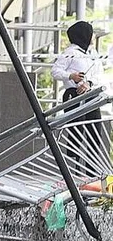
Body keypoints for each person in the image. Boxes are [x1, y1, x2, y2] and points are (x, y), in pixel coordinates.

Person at [51, 21, 106, 178]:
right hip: (74, 95)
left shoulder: (93, 54)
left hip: (91, 96)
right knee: (76, 131)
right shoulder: (70, 52)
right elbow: (55, 71)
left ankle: (92, 173)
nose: (93, 37)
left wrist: (89, 83)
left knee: (94, 132)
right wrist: (71, 76)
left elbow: (99, 75)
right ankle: (73, 172)